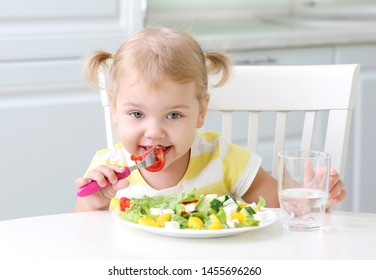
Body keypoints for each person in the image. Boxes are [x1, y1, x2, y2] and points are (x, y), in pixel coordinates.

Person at [74, 27, 346, 212]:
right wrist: (93, 204)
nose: (154, 132)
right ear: (114, 109)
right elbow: (85, 237)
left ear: (201, 112)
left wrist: (306, 197)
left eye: (173, 115)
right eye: (137, 114)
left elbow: (280, 207)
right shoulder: (108, 171)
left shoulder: (223, 158)